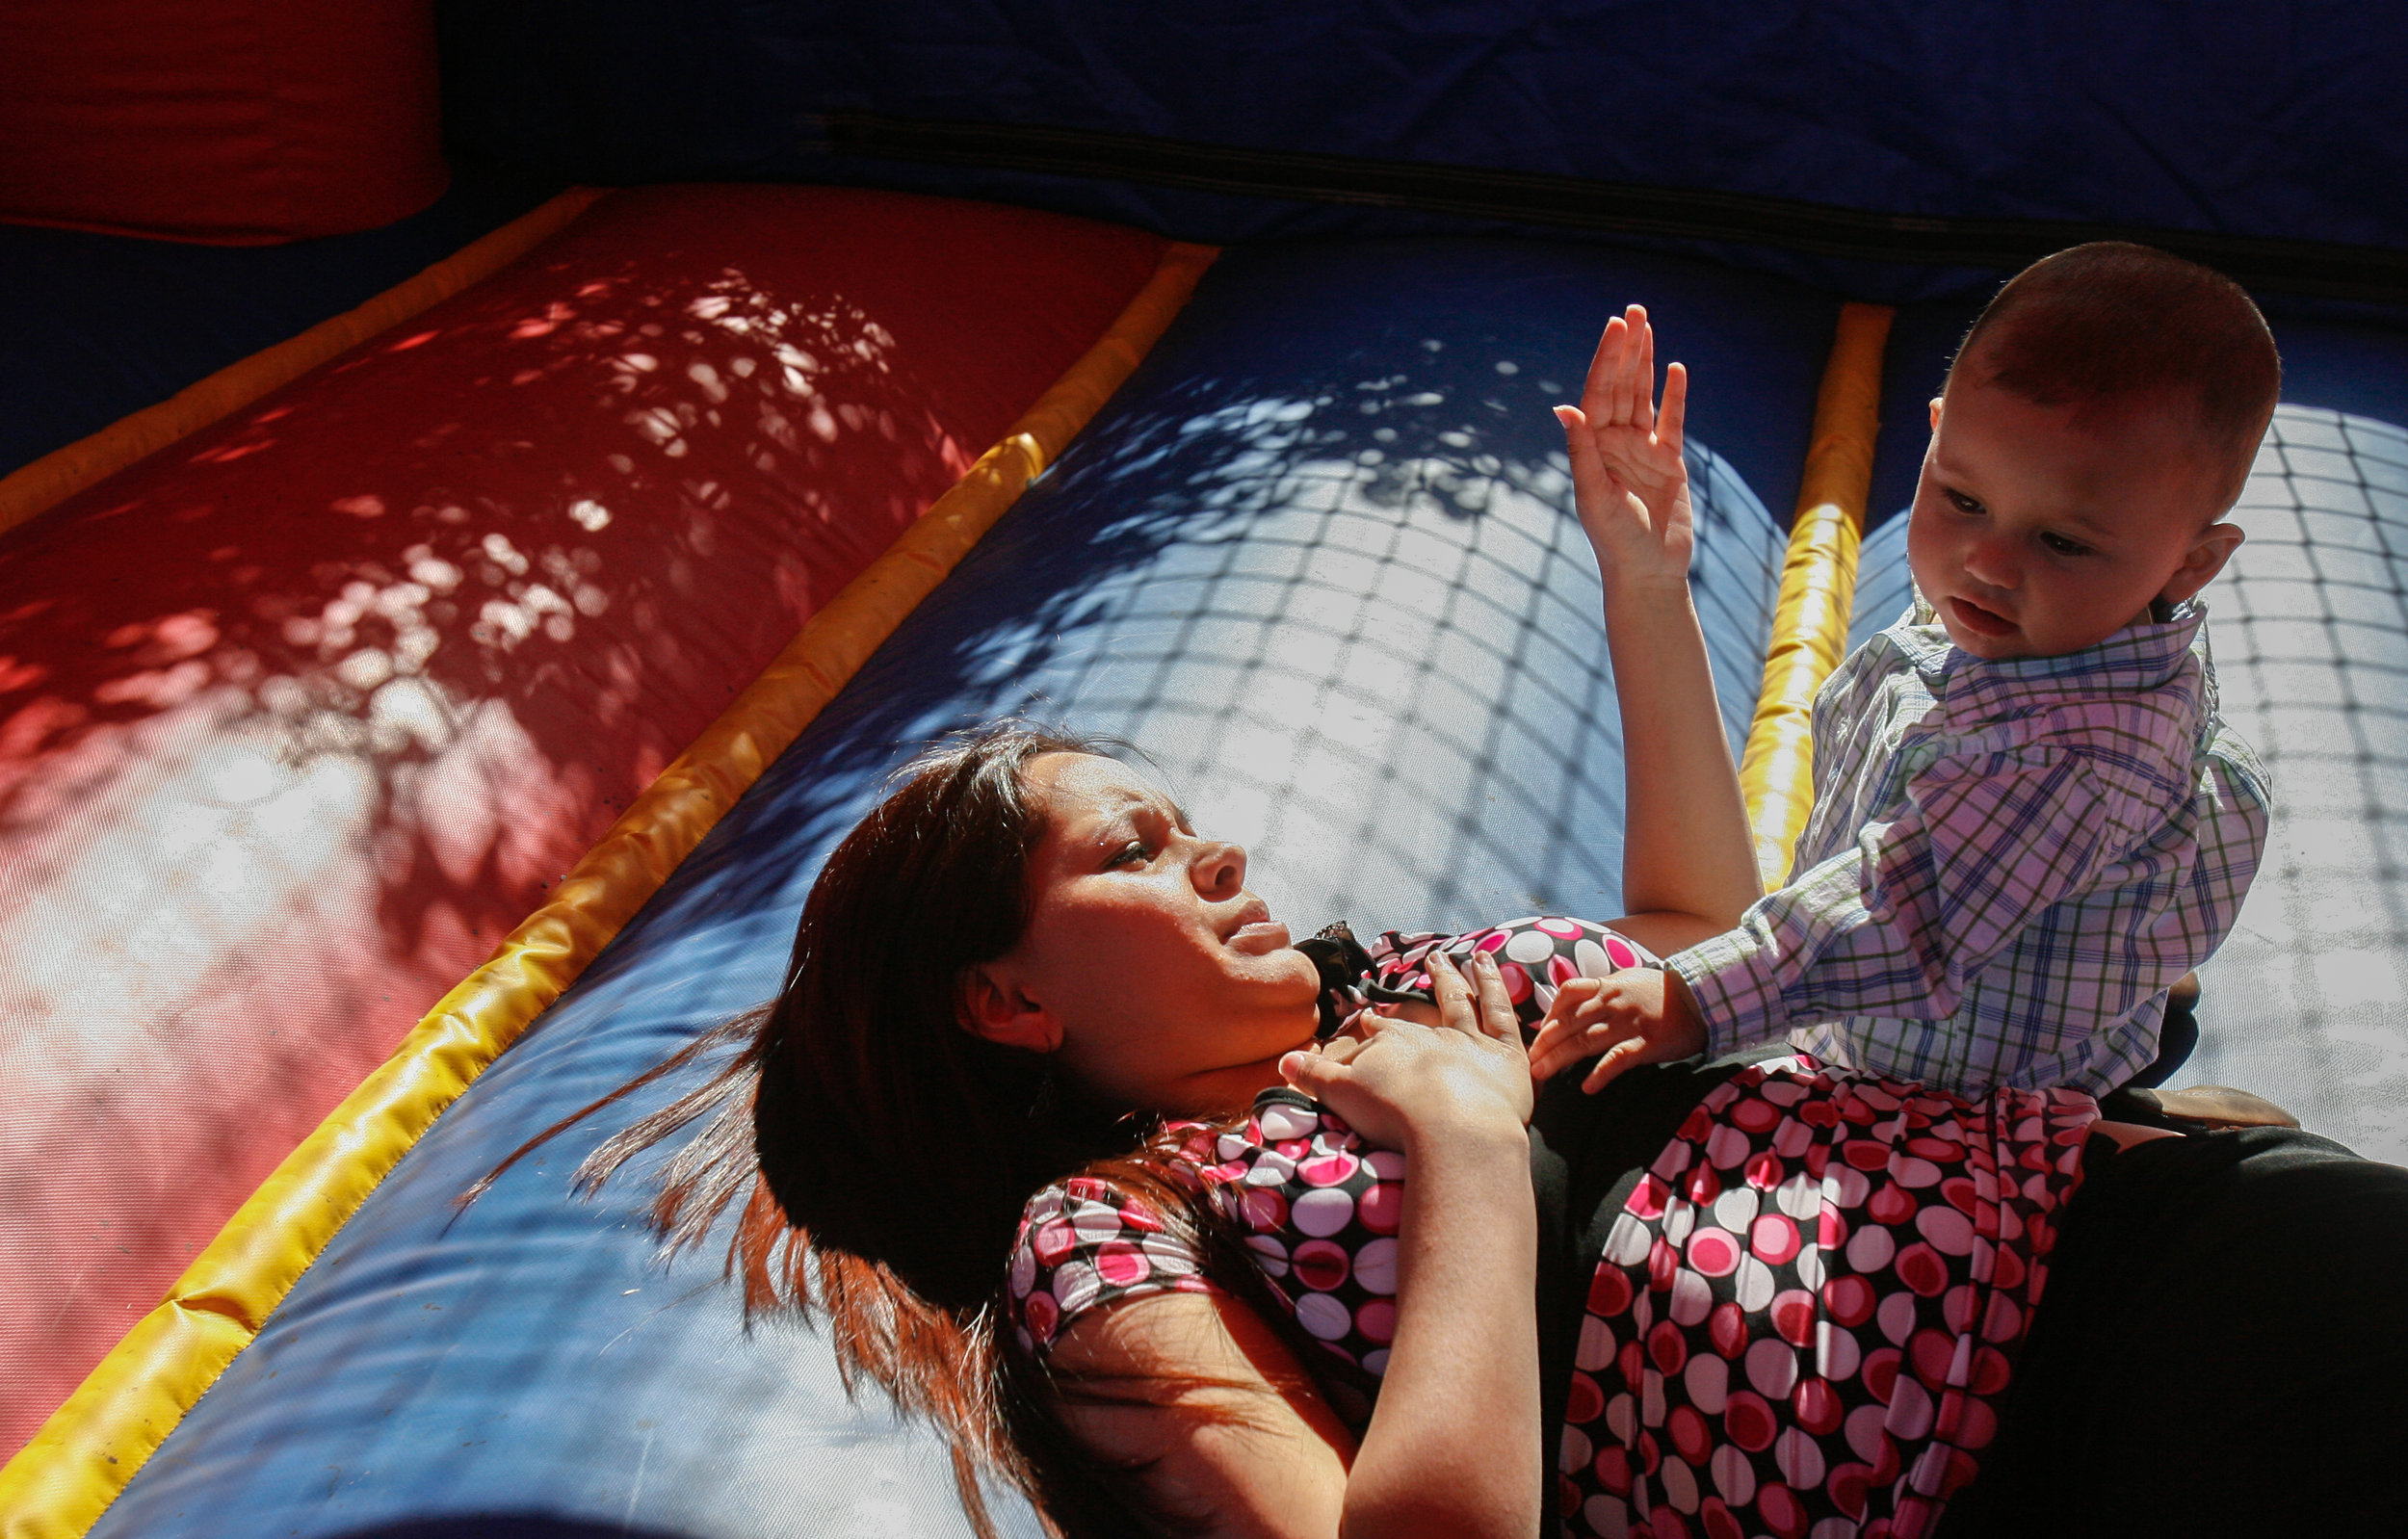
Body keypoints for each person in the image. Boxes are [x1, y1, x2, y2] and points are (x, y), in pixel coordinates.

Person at [484, 724, 2403, 1539]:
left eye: (1183, 817)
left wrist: (1644, 581)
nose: (1212, 847)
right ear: (1009, 998)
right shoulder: (1115, 1231)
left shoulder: (1400, 976)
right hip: (2059, 1439)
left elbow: (1677, 954)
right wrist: (1469, 1150)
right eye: (1130, 851)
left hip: (2163, 1235)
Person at [1542, 244, 2276, 1098]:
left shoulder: (2071, 757)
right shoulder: (2037, 623)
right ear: (1934, 437)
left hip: (1958, 1099)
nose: (1988, 562)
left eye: (2063, 542)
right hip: (1979, 972)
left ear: (2193, 563)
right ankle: (2108, 967)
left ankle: (2125, 1124)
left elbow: (1903, 919)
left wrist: (1695, 997)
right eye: (1963, 499)